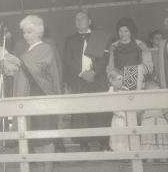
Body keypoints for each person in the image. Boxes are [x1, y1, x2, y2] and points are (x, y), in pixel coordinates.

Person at [5, 15, 61, 172]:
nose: (25, 35)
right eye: (24, 32)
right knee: (34, 138)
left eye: (29, 32)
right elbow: (24, 73)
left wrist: (19, 63)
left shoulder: (45, 48)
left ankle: (47, 169)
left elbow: (37, 70)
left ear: (38, 32)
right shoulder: (26, 51)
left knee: (46, 138)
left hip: (42, 97)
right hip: (29, 97)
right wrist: (12, 70)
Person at [63, 11, 112, 151]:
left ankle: (104, 143)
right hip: (79, 81)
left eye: (82, 18)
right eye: (76, 18)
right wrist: (81, 73)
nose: (79, 20)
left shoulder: (101, 37)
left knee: (101, 111)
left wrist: (94, 72)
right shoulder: (70, 40)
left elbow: (105, 58)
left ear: (90, 21)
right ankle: (84, 143)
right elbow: (67, 60)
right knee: (81, 113)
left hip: (98, 79)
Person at [107, 17, 153, 90]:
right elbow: (110, 67)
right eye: (120, 31)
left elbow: (149, 67)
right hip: (119, 82)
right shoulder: (114, 47)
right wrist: (114, 76)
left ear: (131, 31)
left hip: (139, 81)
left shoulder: (141, 45)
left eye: (126, 31)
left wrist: (132, 73)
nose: (123, 34)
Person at [140, 80, 168, 161]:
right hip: (148, 123)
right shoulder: (144, 102)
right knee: (149, 142)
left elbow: (166, 112)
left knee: (161, 141)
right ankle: (150, 159)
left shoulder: (162, 102)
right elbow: (140, 113)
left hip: (160, 122)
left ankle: (163, 158)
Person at [108, 68, 130, 152]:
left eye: (121, 79)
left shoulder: (126, 89)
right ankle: (118, 152)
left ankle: (127, 152)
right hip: (118, 116)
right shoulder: (111, 91)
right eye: (117, 80)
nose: (119, 82)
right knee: (118, 135)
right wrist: (121, 113)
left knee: (126, 135)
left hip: (127, 115)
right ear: (111, 81)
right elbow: (111, 105)